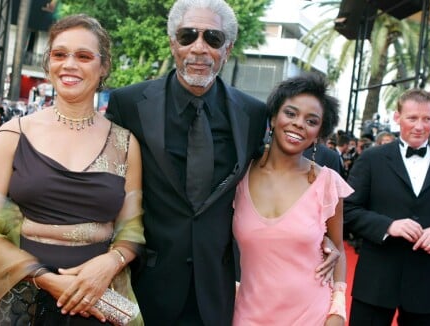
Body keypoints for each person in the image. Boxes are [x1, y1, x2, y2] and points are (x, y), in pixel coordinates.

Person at [105, 1, 339, 324]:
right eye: (188, 36)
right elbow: (107, 186)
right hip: (146, 284)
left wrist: (319, 235)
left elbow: (274, 171)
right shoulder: (129, 103)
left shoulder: (253, 114)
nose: (199, 48)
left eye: (212, 39)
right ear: (173, 43)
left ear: (227, 49)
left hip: (217, 292)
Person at [0, 14, 145, 325]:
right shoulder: (12, 135)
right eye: (59, 54)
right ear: (48, 63)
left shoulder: (125, 145)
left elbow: (131, 229)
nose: (69, 64)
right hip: (19, 299)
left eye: (83, 56)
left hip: (96, 298)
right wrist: (46, 279)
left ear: (104, 66)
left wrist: (111, 262)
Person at [344, 88, 430, 325]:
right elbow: (347, 210)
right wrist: (388, 226)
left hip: (426, 285)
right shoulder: (371, 160)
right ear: (397, 118)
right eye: (412, 118)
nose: (419, 126)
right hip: (376, 282)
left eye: (426, 119)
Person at [232, 73, 353, 325]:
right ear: (274, 117)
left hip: (311, 315)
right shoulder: (239, 174)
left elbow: (338, 248)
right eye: (291, 113)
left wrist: (337, 312)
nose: (299, 124)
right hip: (248, 314)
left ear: (319, 133)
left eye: (311, 120)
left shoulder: (327, 183)